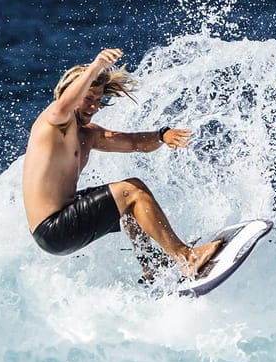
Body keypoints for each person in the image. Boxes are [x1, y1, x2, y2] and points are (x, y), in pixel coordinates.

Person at [22, 47, 221, 278]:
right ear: (72, 94)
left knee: (129, 202)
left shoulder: (87, 134)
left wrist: (162, 135)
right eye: (87, 99)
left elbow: (132, 142)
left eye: (98, 100)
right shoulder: (54, 122)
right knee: (130, 191)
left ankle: (152, 265)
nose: (94, 107)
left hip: (62, 218)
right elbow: (64, 105)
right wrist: (95, 66)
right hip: (53, 229)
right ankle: (187, 258)